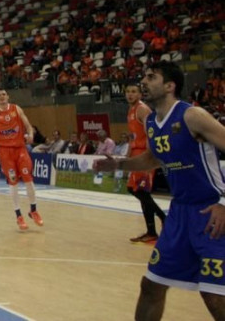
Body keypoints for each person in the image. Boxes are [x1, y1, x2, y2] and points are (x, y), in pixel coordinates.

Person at [94, 61, 225, 321]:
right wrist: (119, 164)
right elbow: (153, 159)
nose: (144, 81)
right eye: (144, 76)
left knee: (214, 297)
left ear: (169, 86)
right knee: (151, 286)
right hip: (179, 214)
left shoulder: (192, 115)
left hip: (210, 212)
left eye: (151, 77)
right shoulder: (152, 122)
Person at [0, 88, 43, 231]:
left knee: (28, 178)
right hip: (5, 152)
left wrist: (30, 135)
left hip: (20, 149)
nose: (2, 97)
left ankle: (33, 210)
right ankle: (18, 215)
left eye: (4, 94)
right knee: (13, 182)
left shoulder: (16, 109)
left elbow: (29, 126)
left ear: (8, 96)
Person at [122, 81, 167, 244]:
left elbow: (151, 133)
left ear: (140, 94)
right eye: (128, 91)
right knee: (135, 190)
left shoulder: (142, 109)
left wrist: (149, 156)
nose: (130, 94)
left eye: (133, 91)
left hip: (144, 154)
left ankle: (159, 223)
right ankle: (154, 228)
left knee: (141, 192)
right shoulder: (131, 110)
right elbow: (133, 136)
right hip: (136, 153)